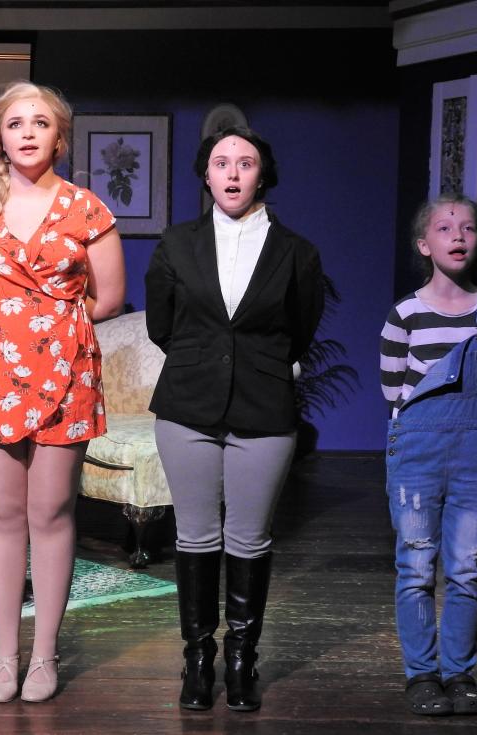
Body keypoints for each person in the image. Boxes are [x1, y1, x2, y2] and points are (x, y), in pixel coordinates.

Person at [0, 81, 125, 703]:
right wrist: (0, 322)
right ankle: (4, 655)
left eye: (40, 122)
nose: (26, 132)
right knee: (2, 514)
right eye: (15, 122)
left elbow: (112, 297)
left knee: (49, 513)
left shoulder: (85, 208)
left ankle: (43, 657)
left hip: (66, 373)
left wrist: (52, 324)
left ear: (58, 135)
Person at [145, 126, 324, 712]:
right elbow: (161, 327)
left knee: (250, 539)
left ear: (262, 175)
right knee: (195, 536)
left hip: (264, 407)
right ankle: (198, 660)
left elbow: (300, 331)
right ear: (205, 173)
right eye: (221, 162)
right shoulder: (176, 242)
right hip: (188, 407)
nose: (232, 173)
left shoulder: (297, 252)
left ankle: (243, 660)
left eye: (245, 163)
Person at [379, 193, 477, 717]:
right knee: (415, 566)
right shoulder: (405, 314)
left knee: (466, 567)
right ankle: (421, 675)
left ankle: (459, 673)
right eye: (444, 227)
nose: (457, 235)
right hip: (416, 453)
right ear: (424, 244)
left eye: (467, 228)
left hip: (473, 454)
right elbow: (394, 391)